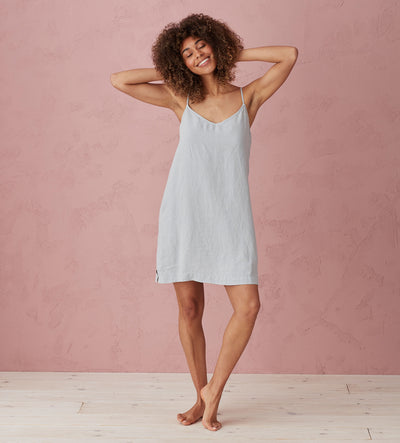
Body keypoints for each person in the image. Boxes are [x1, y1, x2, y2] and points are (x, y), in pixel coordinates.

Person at [111, 12, 298, 432]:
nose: (198, 56)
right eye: (187, 53)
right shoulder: (180, 98)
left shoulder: (249, 97)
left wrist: (230, 52)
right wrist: (178, 69)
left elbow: (288, 54)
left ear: (216, 43)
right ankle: (199, 397)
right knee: (190, 307)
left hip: (230, 216)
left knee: (248, 307)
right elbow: (120, 80)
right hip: (185, 213)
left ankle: (215, 390)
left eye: (202, 46)